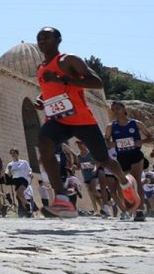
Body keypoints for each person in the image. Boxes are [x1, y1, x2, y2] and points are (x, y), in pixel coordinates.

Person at [33, 26, 136, 218]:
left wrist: (63, 79)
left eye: (47, 37)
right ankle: (63, 200)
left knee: (103, 160)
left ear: (58, 39)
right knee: (44, 144)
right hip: (58, 120)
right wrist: (42, 99)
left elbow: (96, 82)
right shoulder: (41, 68)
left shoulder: (68, 60)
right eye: (39, 38)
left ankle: (125, 183)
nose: (42, 41)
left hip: (81, 119)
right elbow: (50, 89)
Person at [103, 101, 152, 221]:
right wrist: (111, 144)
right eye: (113, 109)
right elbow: (106, 142)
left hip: (135, 155)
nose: (116, 111)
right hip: (122, 157)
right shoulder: (111, 126)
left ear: (124, 109)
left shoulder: (136, 124)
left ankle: (140, 211)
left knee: (137, 181)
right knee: (124, 185)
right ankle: (128, 210)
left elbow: (150, 137)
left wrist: (141, 142)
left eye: (118, 108)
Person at [6, 150, 33, 217]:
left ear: (17, 154)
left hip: (24, 179)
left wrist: (30, 174)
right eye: (11, 154)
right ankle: (27, 210)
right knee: (19, 195)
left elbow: (29, 170)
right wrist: (9, 170)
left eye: (14, 153)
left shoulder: (23, 162)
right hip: (16, 181)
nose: (13, 155)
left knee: (20, 193)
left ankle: (28, 205)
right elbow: (9, 175)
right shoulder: (10, 164)